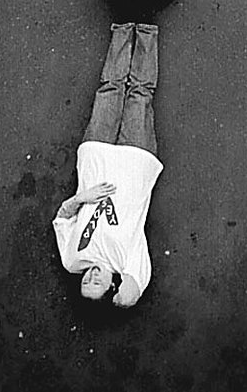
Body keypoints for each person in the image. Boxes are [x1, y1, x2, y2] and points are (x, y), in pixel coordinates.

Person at [53, 23, 162, 307]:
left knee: (109, 89)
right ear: (112, 286)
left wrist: (82, 198)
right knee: (141, 93)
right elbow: (132, 294)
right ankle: (147, 27)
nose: (90, 278)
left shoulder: (72, 260)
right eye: (97, 284)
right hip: (135, 159)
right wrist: (118, 300)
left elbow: (62, 218)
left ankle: (125, 24)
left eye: (85, 283)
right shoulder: (128, 264)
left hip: (96, 154)